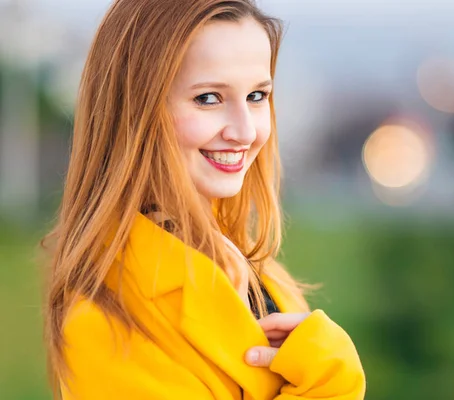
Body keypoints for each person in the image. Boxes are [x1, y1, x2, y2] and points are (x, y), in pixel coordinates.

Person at [41, 0, 366, 399]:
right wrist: (334, 381)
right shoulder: (105, 318)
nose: (245, 131)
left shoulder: (259, 272)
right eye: (209, 98)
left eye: (257, 96)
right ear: (136, 109)